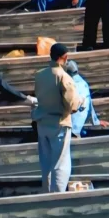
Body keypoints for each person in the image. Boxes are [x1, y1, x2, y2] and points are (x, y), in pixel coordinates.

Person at [32, 43, 81, 193]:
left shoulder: (40, 75)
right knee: (60, 164)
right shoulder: (64, 77)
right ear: (64, 57)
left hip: (42, 123)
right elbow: (72, 105)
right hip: (59, 124)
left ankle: (47, 194)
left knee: (46, 163)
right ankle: (58, 196)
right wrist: (81, 101)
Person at [65, 58, 100, 136]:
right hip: (78, 126)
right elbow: (89, 105)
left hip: (71, 127)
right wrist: (96, 121)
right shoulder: (84, 83)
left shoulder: (70, 85)